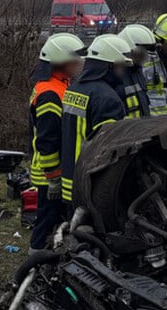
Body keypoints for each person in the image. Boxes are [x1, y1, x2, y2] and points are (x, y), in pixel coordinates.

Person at [28, 33, 85, 251]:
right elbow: (48, 139)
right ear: (62, 63)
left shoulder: (58, 84)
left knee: (54, 217)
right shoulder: (50, 94)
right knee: (47, 220)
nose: (79, 63)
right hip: (49, 172)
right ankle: (35, 261)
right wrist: (53, 177)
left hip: (53, 169)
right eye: (75, 60)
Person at [60, 35, 132, 203]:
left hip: (69, 179)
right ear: (109, 67)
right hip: (90, 184)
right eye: (121, 67)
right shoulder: (107, 98)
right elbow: (109, 150)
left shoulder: (74, 88)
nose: (123, 73)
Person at [117, 24, 156, 118]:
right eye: (141, 54)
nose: (144, 58)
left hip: (141, 129)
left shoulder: (137, 72)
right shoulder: (116, 78)